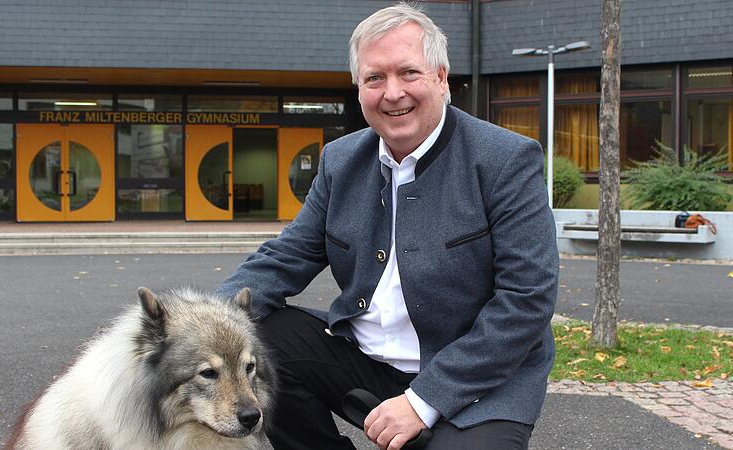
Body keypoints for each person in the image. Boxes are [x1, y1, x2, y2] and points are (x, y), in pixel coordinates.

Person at [217, 3, 559, 449]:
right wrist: (206, 321)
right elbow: (287, 256)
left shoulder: (505, 160)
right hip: (366, 361)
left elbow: (526, 300)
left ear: (441, 78)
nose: (392, 92)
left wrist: (422, 401)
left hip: (478, 382)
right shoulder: (341, 160)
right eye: (374, 78)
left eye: (408, 73)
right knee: (256, 336)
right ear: (359, 89)